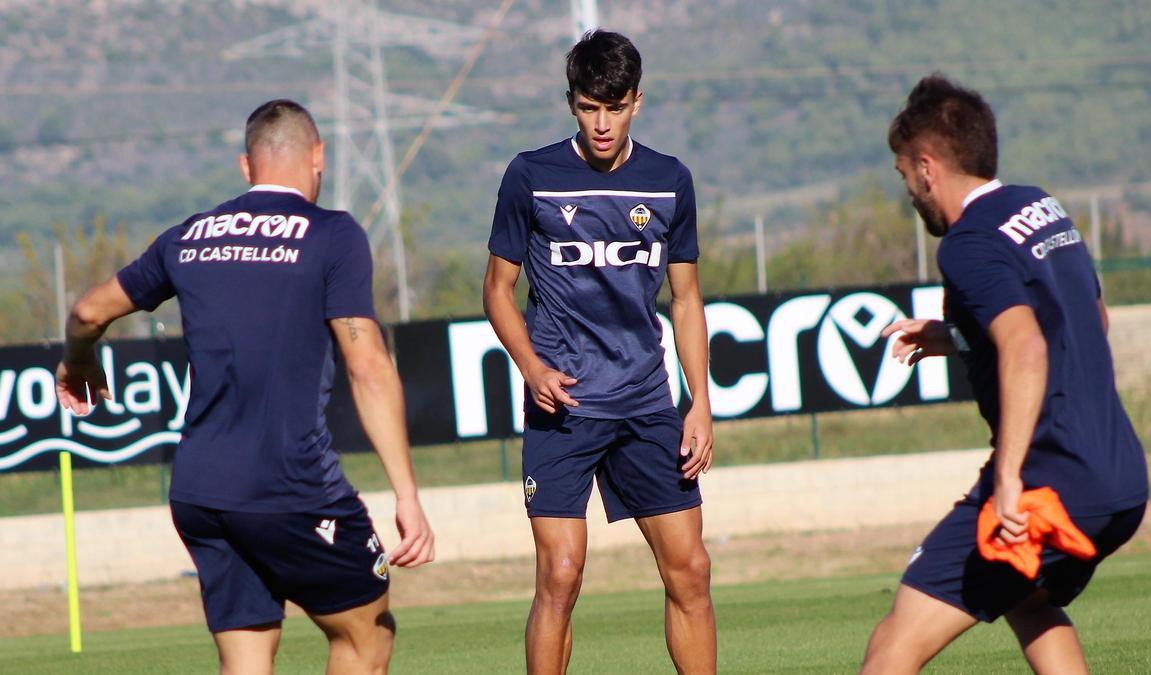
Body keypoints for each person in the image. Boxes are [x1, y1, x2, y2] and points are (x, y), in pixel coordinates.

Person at [55, 99, 434, 675]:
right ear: (318, 158)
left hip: (201, 492)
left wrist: (78, 360)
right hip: (290, 485)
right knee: (366, 638)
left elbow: (86, 311)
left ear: (246, 166)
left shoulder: (189, 236)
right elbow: (367, 363)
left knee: (247, 658)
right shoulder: (332, 234)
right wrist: (406, 493)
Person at [860, 75, 1148, 674]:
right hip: (1121, 477)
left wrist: (1010, 478)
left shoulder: (966, 243)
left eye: (904, 175)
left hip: (1049, 480)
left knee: (894, 645)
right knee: (1028, 601)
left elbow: (1026, 348)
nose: (909, 191)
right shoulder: (1040, 207)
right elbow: (1088, 318)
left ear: (927, 165)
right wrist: (956, 336)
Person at [483, 29, 716, 675]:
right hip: (565, 407)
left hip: (647, 401)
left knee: (691, 571)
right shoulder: (530, 176)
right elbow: (498, 291)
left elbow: (687, 299)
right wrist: (531, 367)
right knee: (560, 574)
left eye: (614, 107)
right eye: (589, 107)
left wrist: (699, 402)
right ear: (570, 102)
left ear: (637, 101)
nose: (602, 122)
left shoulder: (670, 180)